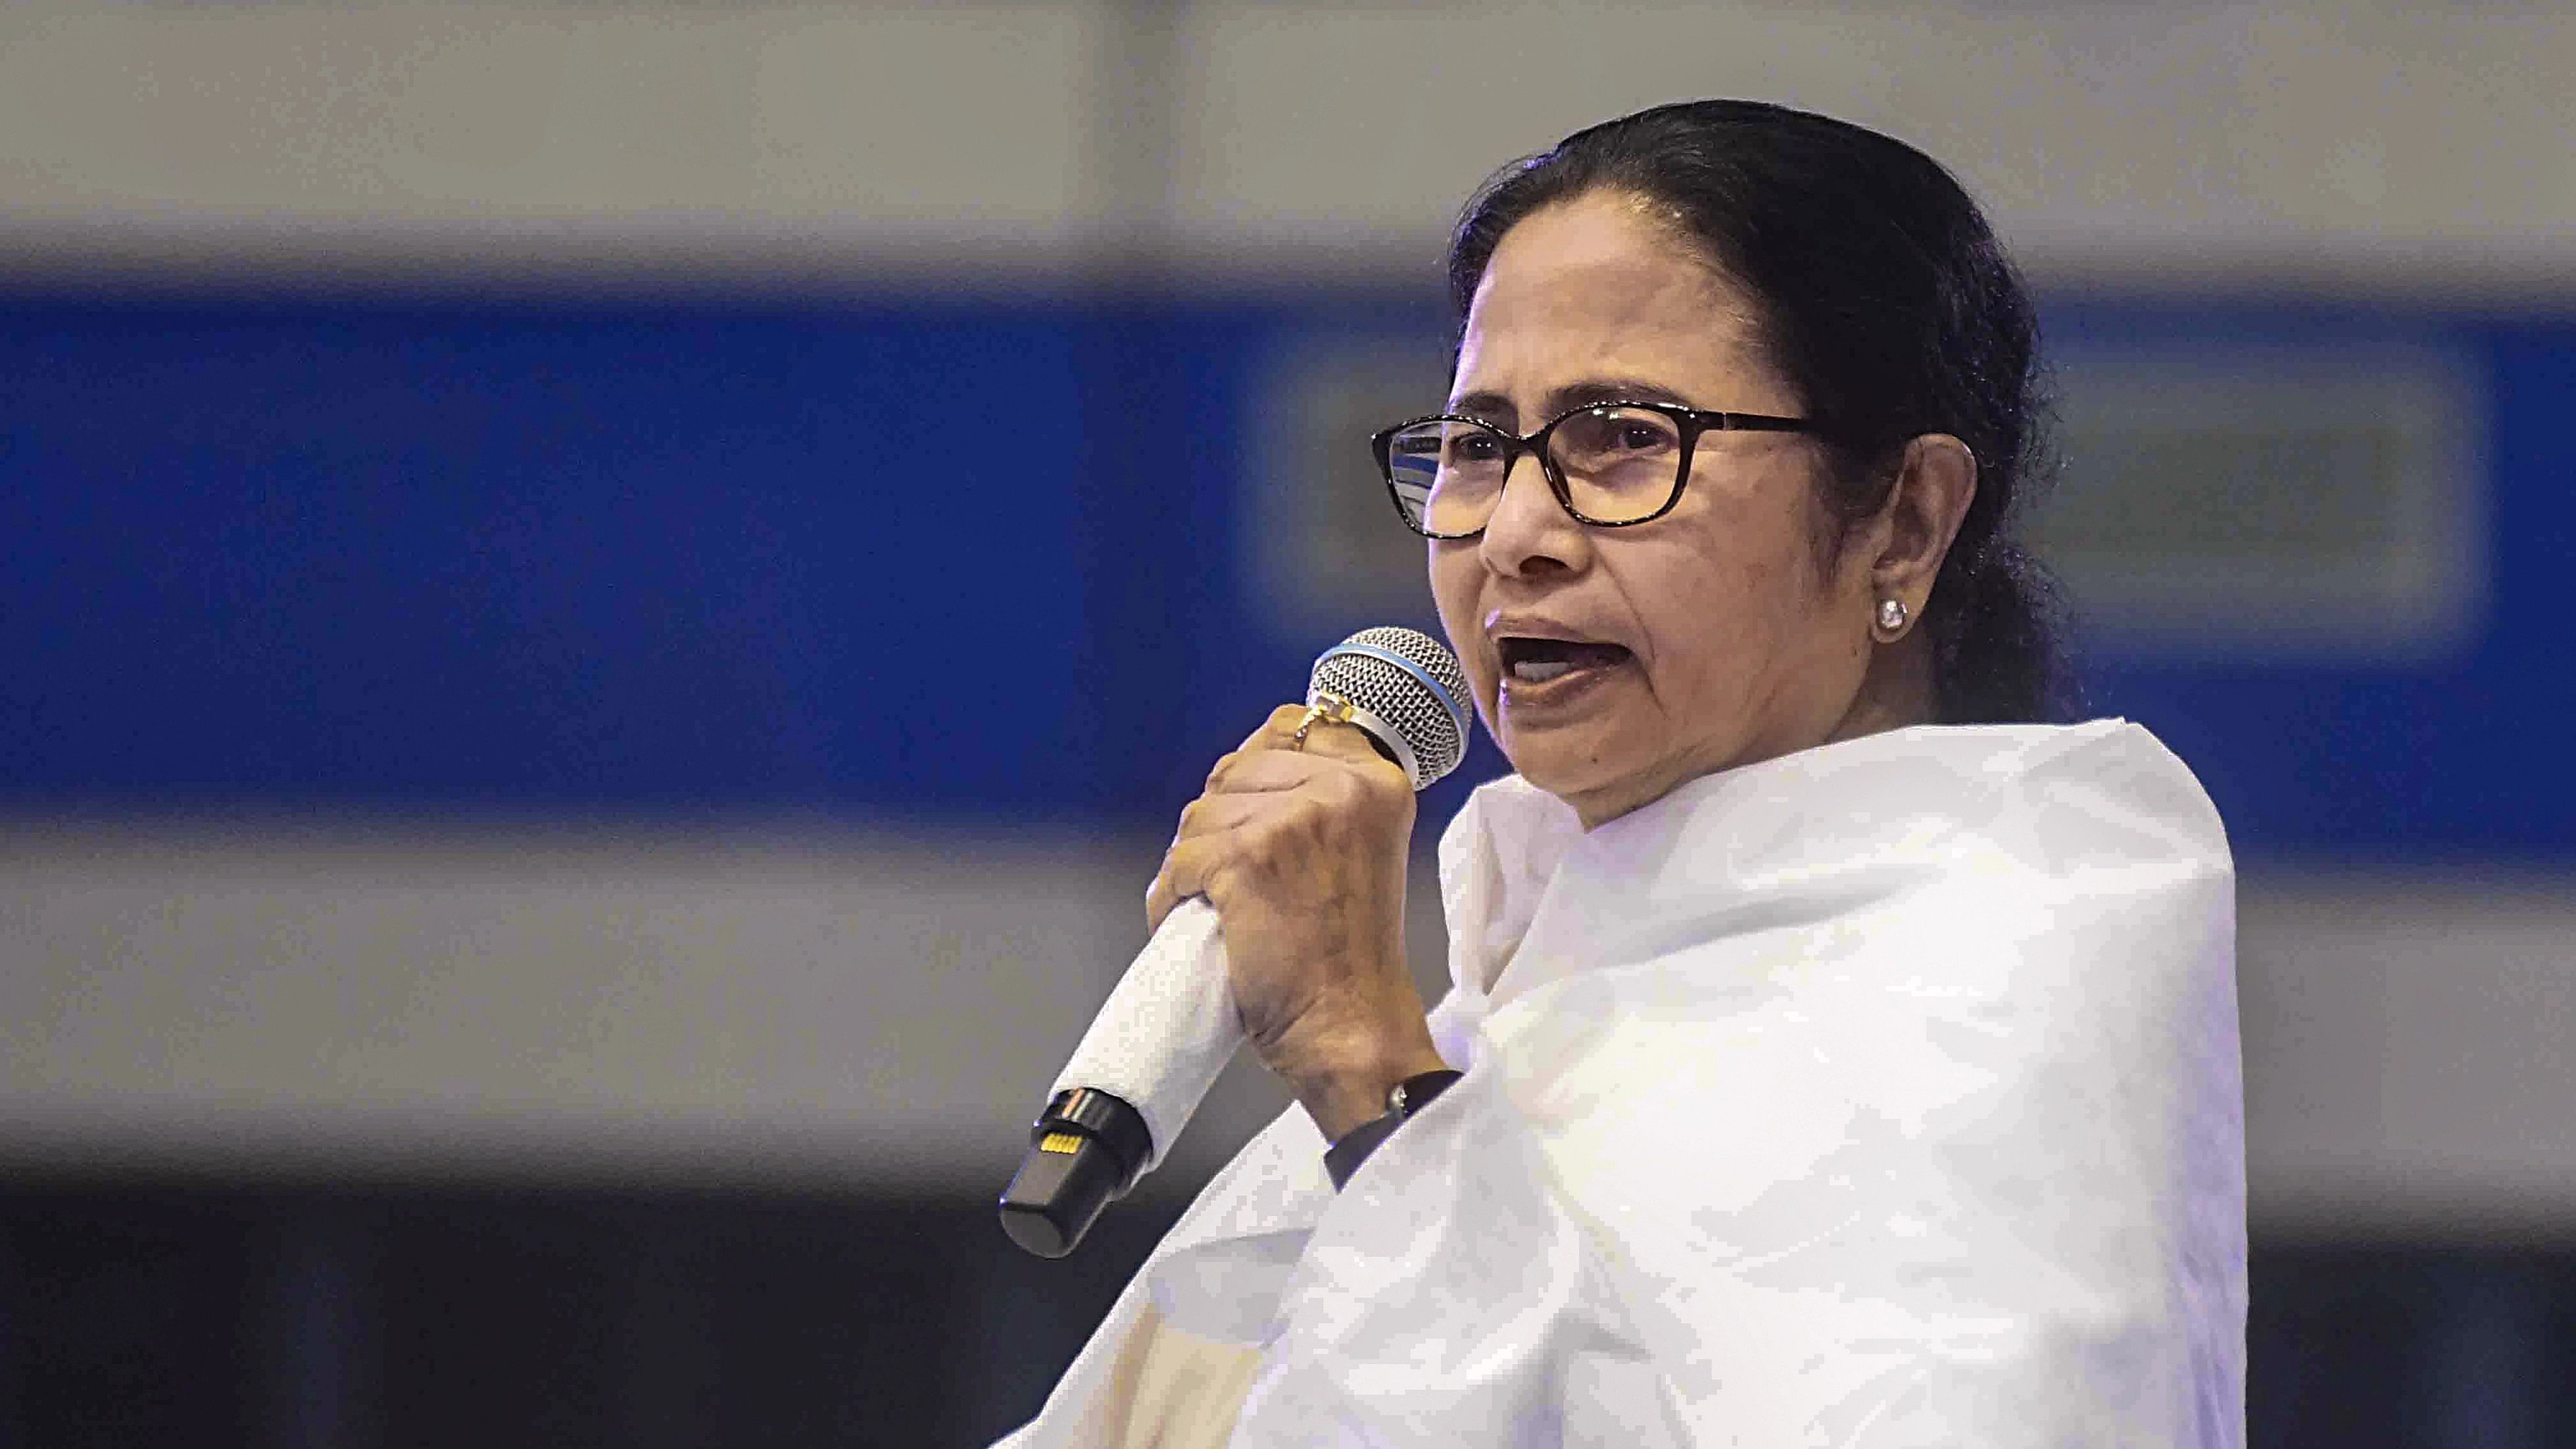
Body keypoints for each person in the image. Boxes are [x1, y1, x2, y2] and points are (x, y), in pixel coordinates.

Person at [1000, 99, 2244, 1447]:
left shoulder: (2005, 964)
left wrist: (1367, 1064)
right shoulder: (1516, 1003)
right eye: (1479, 445)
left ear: (1903, 518)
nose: (1518, 532)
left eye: (1628, 437)